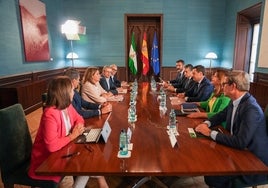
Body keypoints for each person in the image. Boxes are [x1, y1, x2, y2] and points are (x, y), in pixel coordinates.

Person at [195, 70, 268, 188]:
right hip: (239, 151)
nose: (221, 87)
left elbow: (240, 142)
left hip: (254, 160)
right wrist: (206, 123)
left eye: (224, 84)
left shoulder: (251, 109)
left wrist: (210, 133)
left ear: (233, 86)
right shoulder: (235, 100)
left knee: (213, 177)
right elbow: (221, 115)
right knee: (208, 164)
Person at [28, 76, 89, 187]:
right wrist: (73, 135)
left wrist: (78, 127)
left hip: (64, 151)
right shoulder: (50, 114)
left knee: (88, 163)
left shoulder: (67, 106)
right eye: (71, 90)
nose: (74, 93)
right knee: (86, 166)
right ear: (64, 93)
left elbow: (79, 118)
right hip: (47, 162)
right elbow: (52, 146)